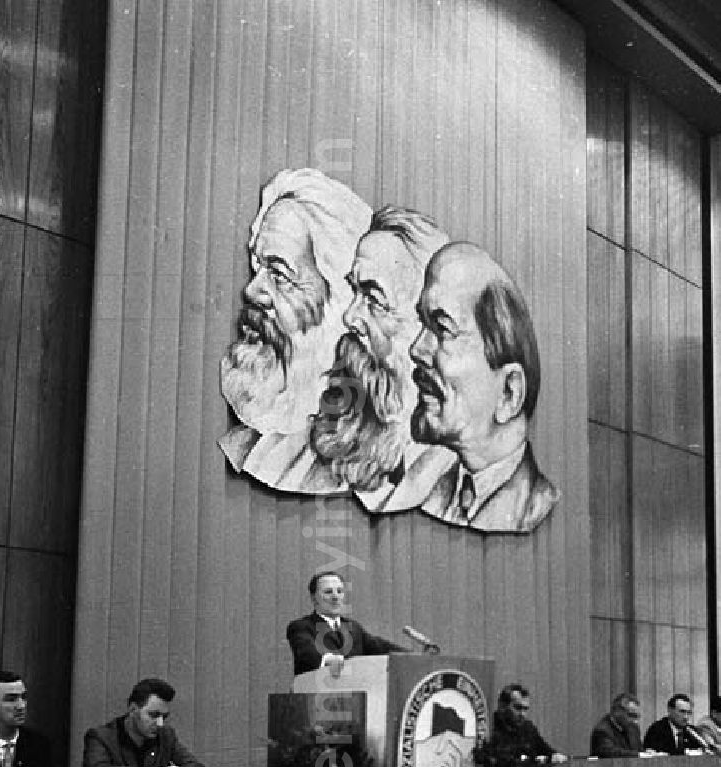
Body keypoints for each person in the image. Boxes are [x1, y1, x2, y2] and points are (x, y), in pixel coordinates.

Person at [218, 168, 372, 494]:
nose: (251, 291)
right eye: (257, 267)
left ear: (341, 305)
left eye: (279, 274)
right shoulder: (245, 445)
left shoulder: (369, 458)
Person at [308, 205, 453, 512]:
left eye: (374, 299)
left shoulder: (454, 475)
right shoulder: (291, 455)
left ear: (431, 327)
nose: (351, 317)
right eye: (355, 292)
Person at [410, 241, 559, 533]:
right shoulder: (432, 490)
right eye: (422, 324)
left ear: (508, 393)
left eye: (443, 329)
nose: (417, 349)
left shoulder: (529, 504)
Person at [286, 570, 407, 677]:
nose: (335, 597)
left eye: (339, 591)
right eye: (328, 592)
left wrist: (416, 656)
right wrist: (329, 659)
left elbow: (381, 647)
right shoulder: (301, 627)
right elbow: (307, 653)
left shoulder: (353, 628)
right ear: (314, 598)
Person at [82, 678, 206, 767]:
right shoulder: (101, 736)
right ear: (133, 710)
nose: (160, 723)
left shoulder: (166, 735)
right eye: (154, 715)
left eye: (164, 716)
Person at [489, 683, 566, 762]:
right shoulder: (489, 727)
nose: (522, 714)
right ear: (502, 706)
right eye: (518, 708)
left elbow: (546, 750)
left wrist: (555, 756)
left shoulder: (528, 728)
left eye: (525, 709)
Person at [589, 692, 643, 758]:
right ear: (617, 712)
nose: (635, 721)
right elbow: (611, 753)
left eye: (637, 716)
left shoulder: (634, 728)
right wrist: (638, 754)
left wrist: (647, 753)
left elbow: (638, 751)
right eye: (631, 715)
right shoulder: (602, 730)